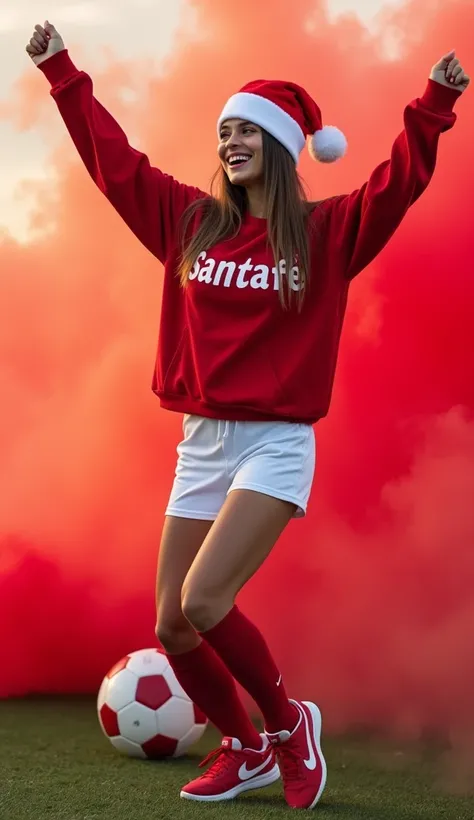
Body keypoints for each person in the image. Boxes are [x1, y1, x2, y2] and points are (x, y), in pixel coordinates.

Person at [26, 20, 469, 810]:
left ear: (280, 144)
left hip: (275, 444)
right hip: (201, 442)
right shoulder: (190, 221)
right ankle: (245, 748)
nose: (230, 142)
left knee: (204, 601)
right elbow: (112, 164)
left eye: (246, 131)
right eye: (224, 131)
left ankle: (289, 725)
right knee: (172, 624)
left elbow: (397, 184)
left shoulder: (328, 233)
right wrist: (63, 71)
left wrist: (432, 105)